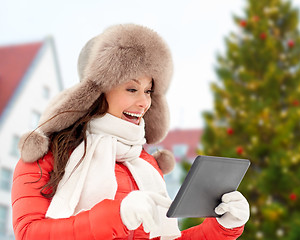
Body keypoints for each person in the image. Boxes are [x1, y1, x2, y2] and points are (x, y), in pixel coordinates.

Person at [12, 24, 249, 240]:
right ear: (98, 91)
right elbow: (29, 233)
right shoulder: (47, 154)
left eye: (148, 91)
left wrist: (223, 227)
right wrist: (117, 216)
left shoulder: (144, 163)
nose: (143, 103)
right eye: (132, 88)